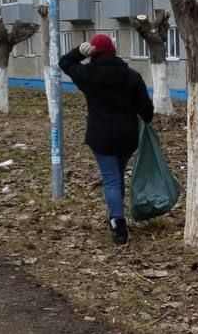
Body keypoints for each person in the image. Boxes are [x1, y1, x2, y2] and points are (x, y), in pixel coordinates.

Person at [58, 33, 153, 245]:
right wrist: (145, 117)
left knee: (111, 179)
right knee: (117, 176)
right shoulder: (132, 76)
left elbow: (65, 63)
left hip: (101, 137)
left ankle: (118, 222)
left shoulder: (87, 75)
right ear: (113, 51)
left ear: (93, 53)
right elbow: (147, 110)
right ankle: (116, 215)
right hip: (127, 137)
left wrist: (78, 52)